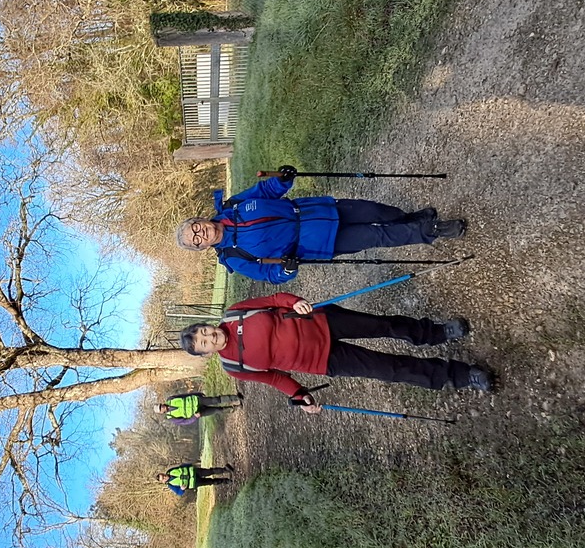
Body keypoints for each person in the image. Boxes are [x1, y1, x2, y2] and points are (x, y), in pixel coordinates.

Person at [179, 292, 493, 409]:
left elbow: (274, 300)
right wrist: (300, 396)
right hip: (324, 360)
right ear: (206, 354)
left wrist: (294, 302)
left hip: (323, 322)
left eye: (205, 331)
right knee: (391, 369)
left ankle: (438, 332)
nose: (210, 337)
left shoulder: (235, 313)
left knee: (385, 326)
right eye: (204, 343)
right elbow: (274, 378)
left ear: (207, 325)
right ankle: (462, 375)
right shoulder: (233, 367)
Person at [175, 165, 465, 283]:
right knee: (377, 237)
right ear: (201, 248)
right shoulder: (235, 258)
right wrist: (287, 269)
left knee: (377, 211)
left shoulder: (232, 206)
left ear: (200, 219)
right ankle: (431, 230)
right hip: (317, 243)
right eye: (196, 240)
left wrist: (282, 180)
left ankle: (412, 219)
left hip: (317, 210)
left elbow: (264, 191)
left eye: (196, 227)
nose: (201, 233)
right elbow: (270, 275)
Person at [154, 391, 243, 425]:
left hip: (198, 400)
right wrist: (195, 417)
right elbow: (185, 422)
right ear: (161, 412)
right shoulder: (171, 418)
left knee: (216, 400)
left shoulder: (170, 399)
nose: (162, 407)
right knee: (217, 410)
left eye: (161, 406)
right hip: (198, 412)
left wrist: (197, 394)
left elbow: (184, 395)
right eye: (161, 409)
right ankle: (235, 408)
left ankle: (236, 397)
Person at [157, 463, 235, 496]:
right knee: (210, 481)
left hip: (195, 472)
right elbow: (179, 493)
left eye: (163, 475)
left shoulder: (170, 470)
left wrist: (190, 465)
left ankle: (225, 469)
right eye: (163, 478)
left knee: (210, 471)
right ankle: (226, 481)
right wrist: (181, 489)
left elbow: (181, 466)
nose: (164, 476)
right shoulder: (170, 485)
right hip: (194, 482)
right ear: (163, 481)